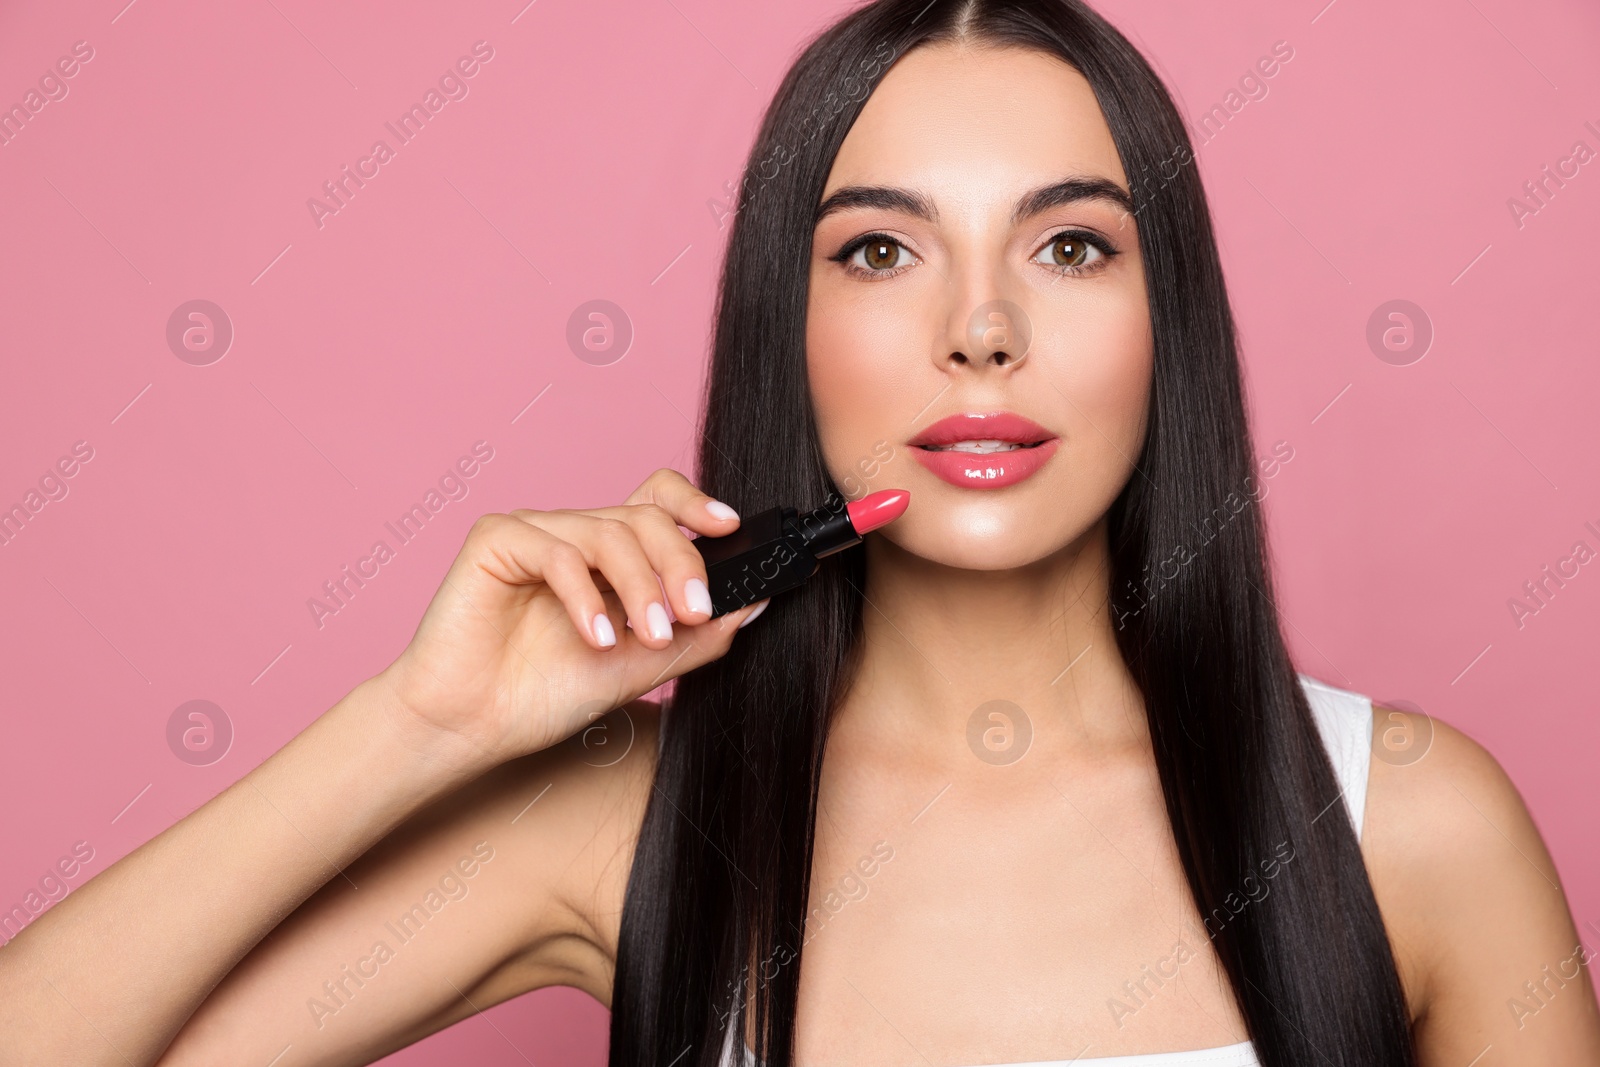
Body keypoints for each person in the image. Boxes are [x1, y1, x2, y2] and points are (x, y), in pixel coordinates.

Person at [4, 1, 1597, 1064]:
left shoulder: (1410, 828)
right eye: (884, 250)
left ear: (1167, 323)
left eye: (1069, 245)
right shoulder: (619, 825)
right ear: (793, 328)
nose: (982, 329)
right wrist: (414, 728)